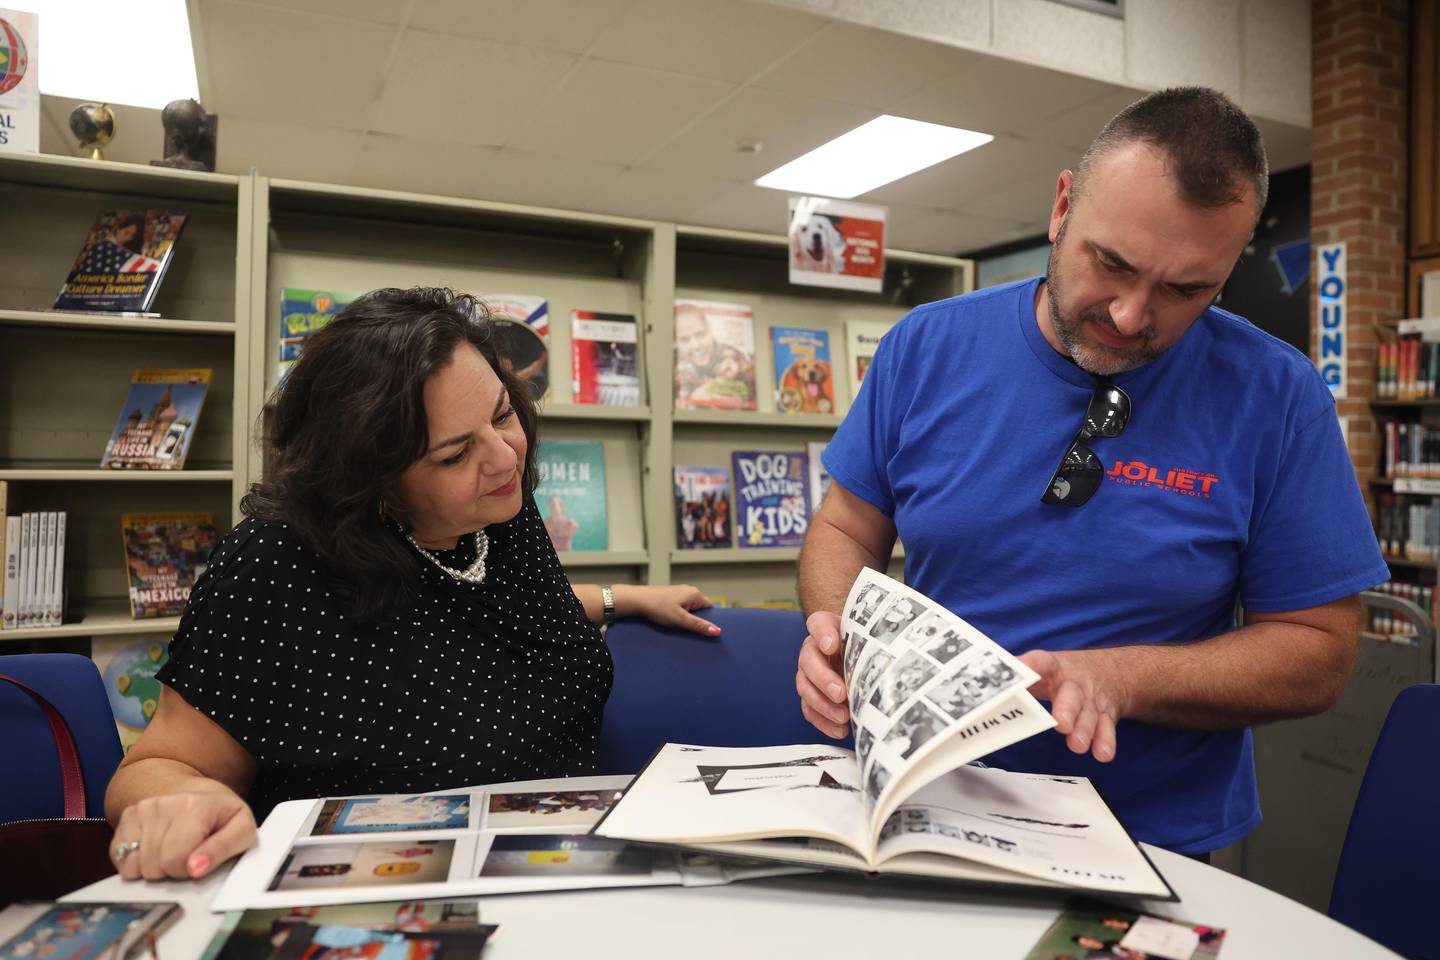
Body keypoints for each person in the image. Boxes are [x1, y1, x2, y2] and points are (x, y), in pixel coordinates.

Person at [793, 87, 1388, 856]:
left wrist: (1127, 677)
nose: (1134, 316)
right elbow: (845, 525)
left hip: (1148, 838)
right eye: (1112, 263)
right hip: (916, 804)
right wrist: (840, 633)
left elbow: (1319, 650)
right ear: (1063, 207)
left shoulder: (1277, 395)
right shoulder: (925, 346)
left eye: (1187, 290)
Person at [105, 287, 720, 882]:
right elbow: (162, 762)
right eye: (454, 455)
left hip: (554, 862)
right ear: (368, 477)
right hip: (379, 892)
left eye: (504, 413)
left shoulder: (496, 510)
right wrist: (178, 802)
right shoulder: (274, 568)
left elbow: (487, 616)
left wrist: (626, 597)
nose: (506, 457)